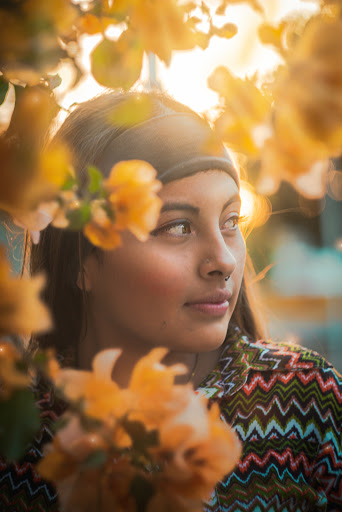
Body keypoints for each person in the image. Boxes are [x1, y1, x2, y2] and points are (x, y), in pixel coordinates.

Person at [0, 91, 341, 512]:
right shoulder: (17, 436)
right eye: (178, 226)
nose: (224, 260)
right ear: (81, 262)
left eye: (231, 221)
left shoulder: (308, 402)